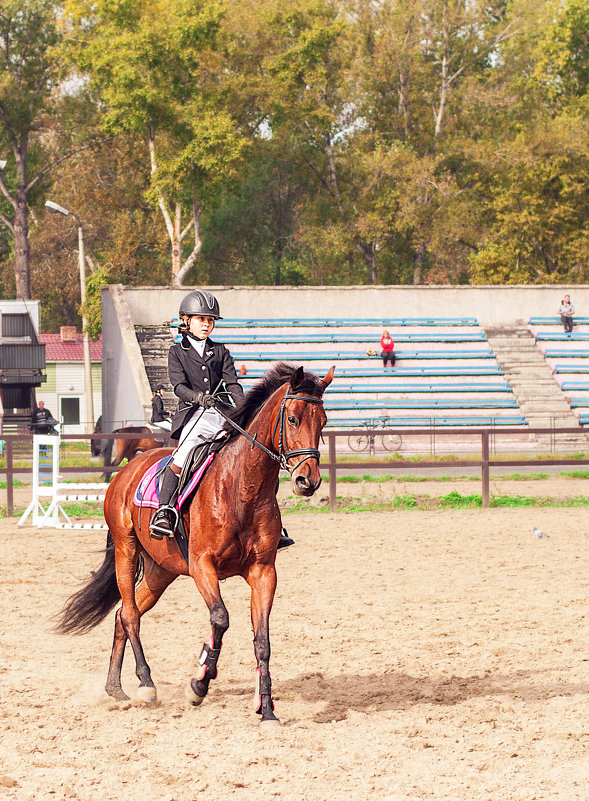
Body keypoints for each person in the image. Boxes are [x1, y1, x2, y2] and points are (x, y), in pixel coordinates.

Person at [149, 289, 294, 550]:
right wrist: (199, 398)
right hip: (193, 414)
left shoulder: (220, 351)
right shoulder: (177, 352)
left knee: (256, 456)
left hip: (222, 413)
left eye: (210, 320)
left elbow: (232, 383)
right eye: (201, 319)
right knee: (182, 457)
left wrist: (244, 407)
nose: (206, 324)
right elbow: (178, 386)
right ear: (186, 320)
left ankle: (273, 520)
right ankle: (165, 511)